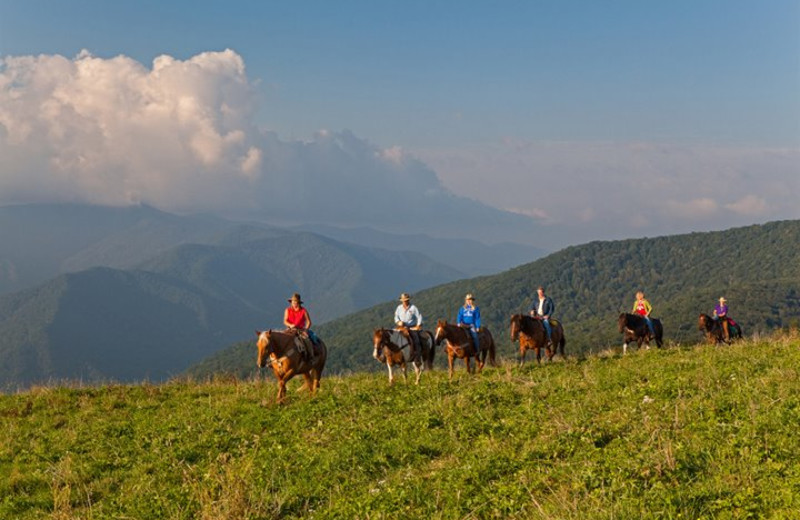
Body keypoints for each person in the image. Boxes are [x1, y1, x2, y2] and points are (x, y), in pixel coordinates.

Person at [283, 293, 318, 360]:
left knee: (306, 340)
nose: (293, 303)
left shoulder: (303, 311)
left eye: (295, 302)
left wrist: (305, 330)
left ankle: (310, 356)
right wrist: (290, 325)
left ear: (298, 303)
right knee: (281, 339)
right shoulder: (287, 310)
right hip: (290, 329)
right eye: (292, 302)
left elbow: (309, 322)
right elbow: (285, 321)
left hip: (300, 329)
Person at [394, 293, 423, 361]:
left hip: (411, 327)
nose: (405, 302)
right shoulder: (399, 308)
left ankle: (417, 354)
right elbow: (396, 317)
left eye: (406, 300)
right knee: (392, 337)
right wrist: (398, 322)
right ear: (401, 301)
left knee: (416, 339)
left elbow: (419, 316)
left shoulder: (413, 308)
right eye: (403, 300)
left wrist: (418, 325)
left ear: (408, 300)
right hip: (401, 327)